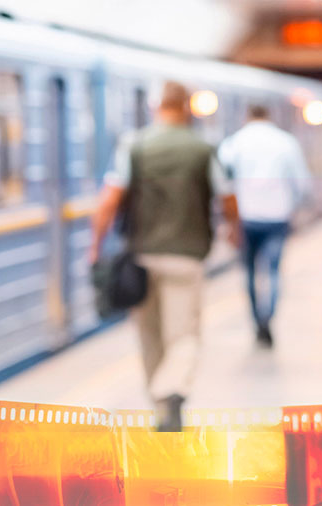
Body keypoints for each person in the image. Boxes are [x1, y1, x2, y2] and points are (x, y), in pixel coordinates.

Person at [89, 81, 241, 431]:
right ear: (186, 107)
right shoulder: (203, 148)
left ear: (156, 106)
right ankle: (172, 392)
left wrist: (96, 244)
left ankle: (159, 405)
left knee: (149, 333)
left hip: (141, 255)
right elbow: (227, 196)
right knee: (184, 334)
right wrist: (234, 228)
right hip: (187, 256)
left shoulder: (135, 145)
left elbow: (110, 199)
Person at [218, 104, 310, 348]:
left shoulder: (233, 143)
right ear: (268, 116)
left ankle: (255, 321)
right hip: (277, 216)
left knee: (248, 272)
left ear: (247, 117)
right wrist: (295, 209)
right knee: (272, 272)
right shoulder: (286, 142)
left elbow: (223, 183)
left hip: (245, 217)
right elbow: (301, 183)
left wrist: (227, 221)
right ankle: (267, 317)